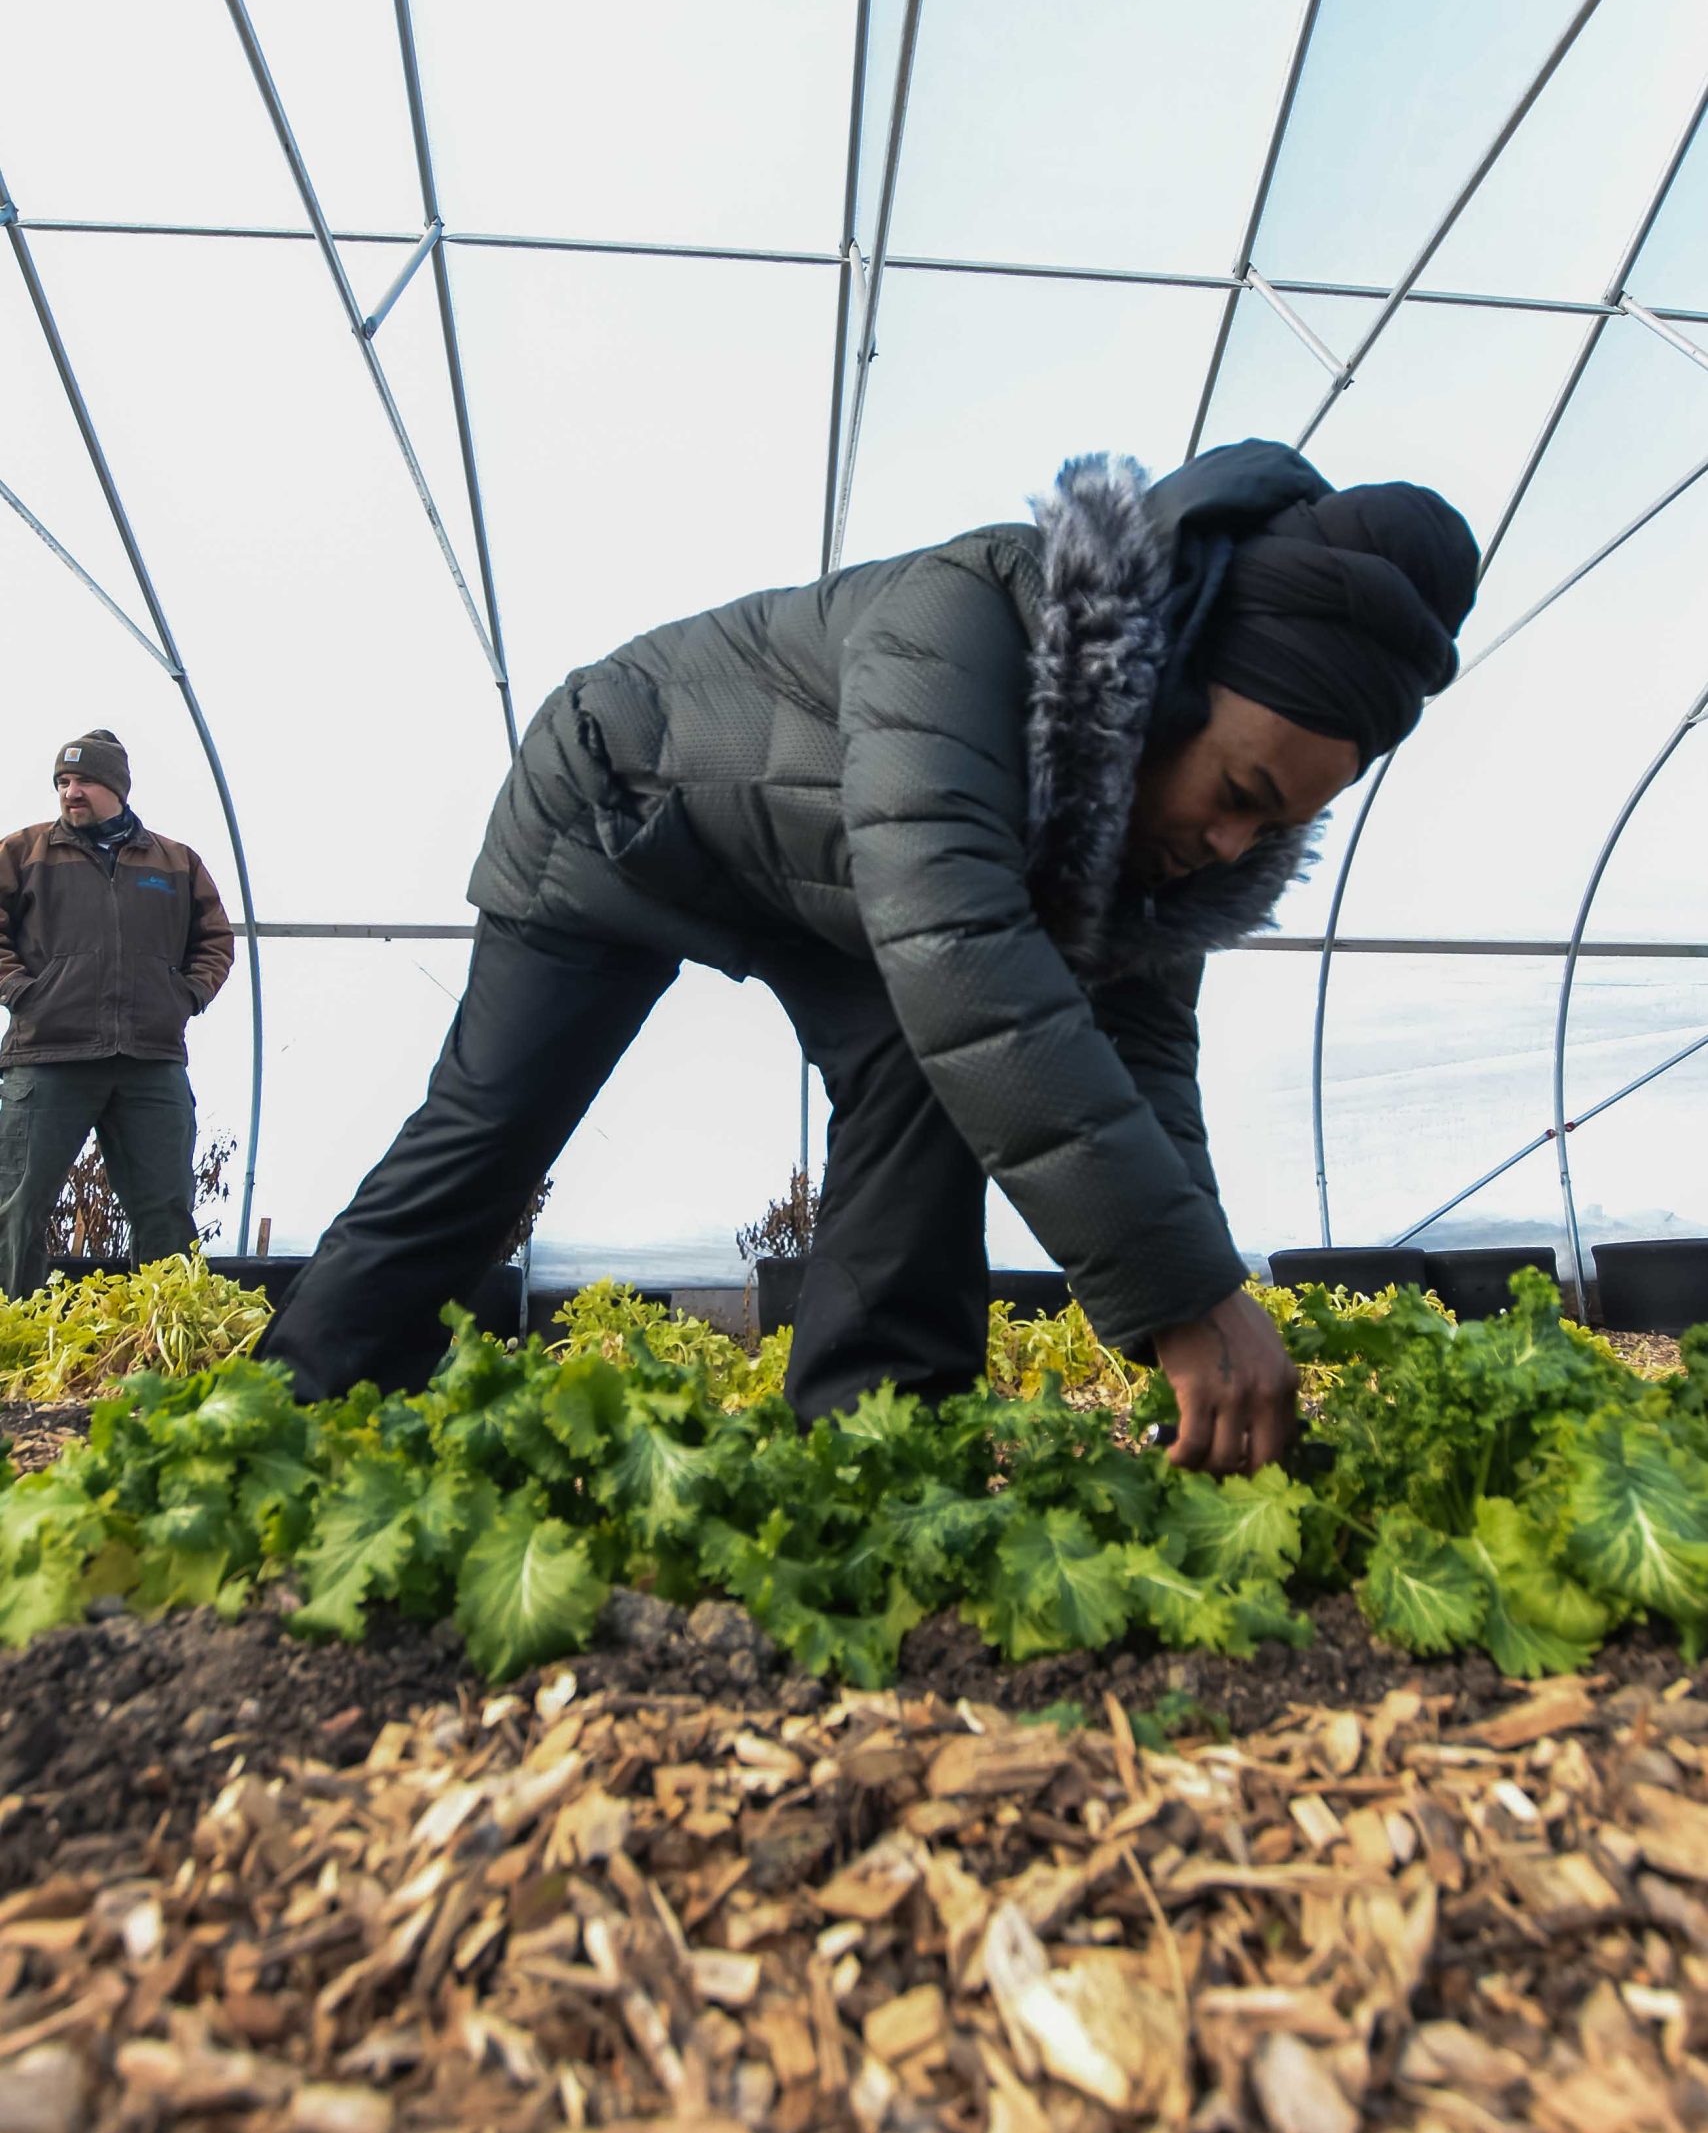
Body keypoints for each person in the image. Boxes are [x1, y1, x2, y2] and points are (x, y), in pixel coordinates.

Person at [260, 439, 1478, 1470]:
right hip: (626, 807)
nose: (1228, 842)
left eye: (1275, 827)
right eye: (1240, 791)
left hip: (835, 879)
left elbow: (1145, 1056)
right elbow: (957, 950)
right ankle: (290, 1413)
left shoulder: (1164, 838)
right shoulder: (961, 626)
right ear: (1159, 687)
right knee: (494, 1128)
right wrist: (1179, 1297)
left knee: (931, 1080)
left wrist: (1201, 1290)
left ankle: (877, 1445)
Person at [0, 731, 234, 1296]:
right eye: (62, 782)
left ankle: (158, 1347)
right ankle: (8, 1340)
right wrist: (22, 990)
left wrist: (185, 996)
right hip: (49, 1056)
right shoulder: (22, 853)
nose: (70, 792)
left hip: (150, 1062)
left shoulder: (175, 862)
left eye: (82, 781)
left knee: (166, 1212)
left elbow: (215, 940)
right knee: (17, 1207)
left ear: (116, 788)